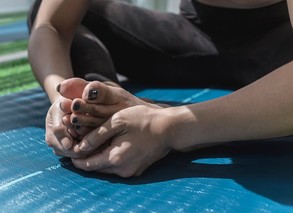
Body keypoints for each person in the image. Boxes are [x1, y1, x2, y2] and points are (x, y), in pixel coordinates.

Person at [27, 0, 293, 177]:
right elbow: (51, 25)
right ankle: (107, 104)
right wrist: (63, 99)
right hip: (196, 34)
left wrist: (169, 127)